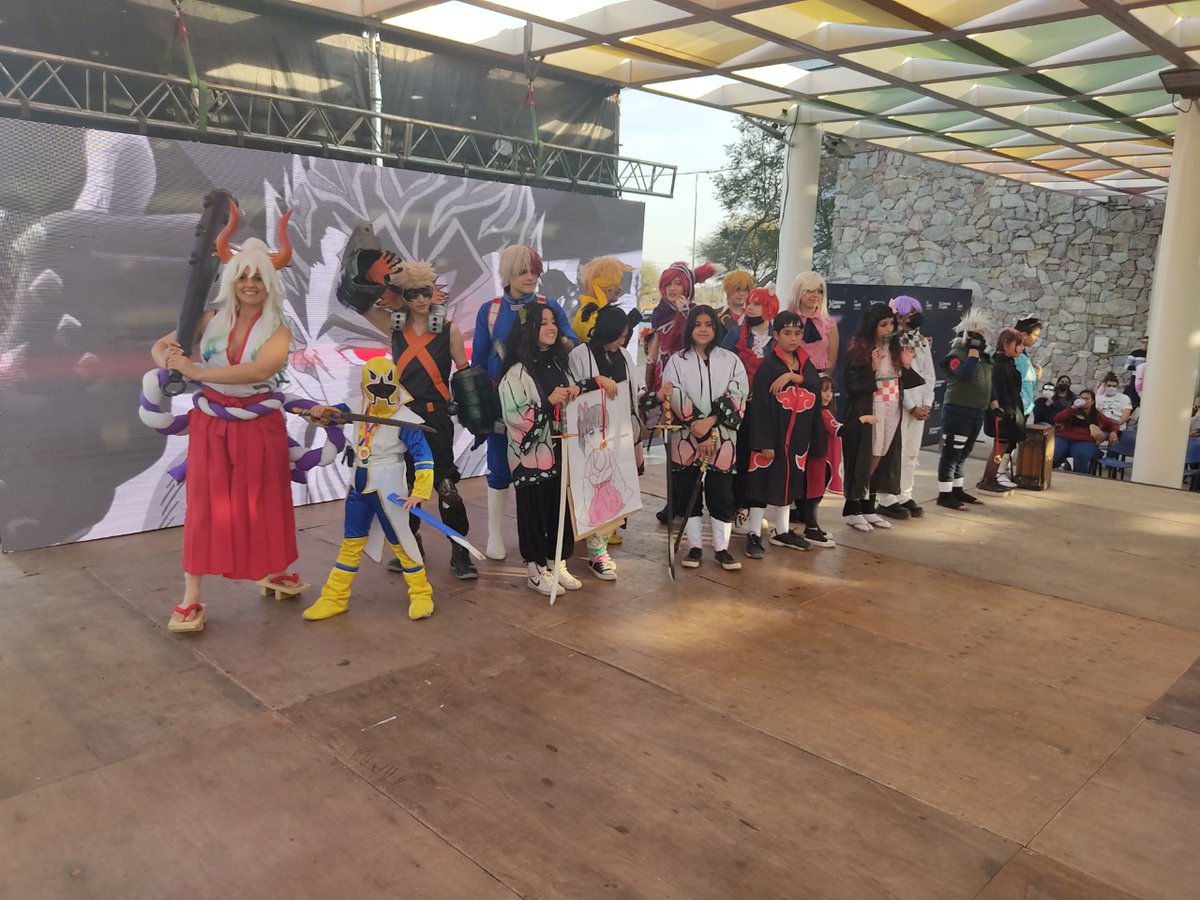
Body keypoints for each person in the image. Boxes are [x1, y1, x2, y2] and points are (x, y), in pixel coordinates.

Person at [151, 221, 298, 633]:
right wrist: (171, 364)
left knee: (264, 499)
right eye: (243, 275)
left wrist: (194, 371)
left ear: (270, 283)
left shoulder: (279, 329)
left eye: (258, 277)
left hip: (259, 423)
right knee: (203, 505)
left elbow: (260, 369)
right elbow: (160, 346)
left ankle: (274, 568)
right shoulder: (208, 318)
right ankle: (190, 597)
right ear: (232, 279)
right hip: (211, 423)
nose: (250, 284)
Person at [337, 252, 477, 580]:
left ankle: (460, 551)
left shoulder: (448, 330)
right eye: (413, 293)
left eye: (426, 291)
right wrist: (370, 275)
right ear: (403, 295)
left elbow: (466, 376)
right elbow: (356, 300)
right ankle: (410, 547)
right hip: (401, 419)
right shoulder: (394, 325)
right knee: (405, 485)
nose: (422, 299)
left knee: (445, 486)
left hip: (435, 419)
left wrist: (477, 415)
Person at [302, 358, 436, 622]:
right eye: (375, 385)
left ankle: (421, 593)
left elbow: (423, 456)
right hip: (359, 483)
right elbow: (329, 417)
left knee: (400, 540)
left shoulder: (405, 418)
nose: (381, 391)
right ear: (365, 385)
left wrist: (420, 491)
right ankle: (335, 597)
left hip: (389, 485)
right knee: (350, 543)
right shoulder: (356, 406)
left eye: (387, 385)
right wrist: (317, 413)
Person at [499, 305, 616, 595]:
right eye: (543, 323)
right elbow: (515, 417)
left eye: (553, 322)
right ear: (528, 329)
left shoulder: (559, 363)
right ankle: (535, 569)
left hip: (561, 452)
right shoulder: (516, 372)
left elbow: (571, 393)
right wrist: (548, 402)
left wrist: (586, 386)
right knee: (534, 511)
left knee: (559, 508)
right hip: (531, 459)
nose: (551, 328)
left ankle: (556, 562)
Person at [472, 245, 578, 561]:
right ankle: (494, 534)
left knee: (544, 471)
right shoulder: (490, 311)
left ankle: (541, 542)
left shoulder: (549, 307)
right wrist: (479, 406)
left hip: (546, 402)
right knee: (499, 469)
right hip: (502, 405)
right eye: (522, 271)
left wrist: (561, 338)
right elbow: (479, 361)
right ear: (507, 274)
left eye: (534, 271)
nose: (530, 277)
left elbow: (570, 342)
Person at [660, 305, 748, 571]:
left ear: (716, 328)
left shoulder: (731, 361)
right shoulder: (677, 361)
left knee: (722, 494)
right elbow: (674, 394)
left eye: (708, 324)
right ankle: (694, 546)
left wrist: (709, 424)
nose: (703, 329)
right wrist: (698, 432)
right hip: (686, 439)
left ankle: (721, 549)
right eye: (697, 324)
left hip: (723, 439)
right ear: (690, 328)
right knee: (688, 493)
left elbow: (738, 394)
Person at [567, 304, 645, 580]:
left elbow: (636, 391)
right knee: (591, 491)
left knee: (614, 493)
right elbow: (572, 390)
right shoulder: (580, 355)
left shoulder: (624, 355)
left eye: (625, 336)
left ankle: (598, 550)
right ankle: (594, 552)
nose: (623, 341)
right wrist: (594, 382)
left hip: (620, 434)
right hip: (591, 436)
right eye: (620, 335)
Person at [741, 310, 824, 557]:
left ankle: (783, 530)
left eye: (797, 333)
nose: (793, 338)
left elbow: (815, 388)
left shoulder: (806, 365)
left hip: (797, 439)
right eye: (787, 333)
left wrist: (791, 376)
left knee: (790, 483)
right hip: (772, 438)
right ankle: (754, 532)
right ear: (776, 335)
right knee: (761, 482)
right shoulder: (768, 367)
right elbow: (760, 407)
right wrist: (763, 441)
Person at [840, 304, 905, 532]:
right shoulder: (860, 349)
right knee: (867, 455)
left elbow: (903, 379)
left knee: (883, 455)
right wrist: (873, 369)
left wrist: (906, 365)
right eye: (883, 324)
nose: (889, 329)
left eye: (891, 324)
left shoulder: (895, 348)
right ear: (872, 326)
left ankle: (868, 507)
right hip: (872, 406)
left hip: (892, 407)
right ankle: (853, 508)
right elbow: (851, 384)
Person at [721, 286, 776, 532]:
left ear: (770, 308)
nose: (750, 308)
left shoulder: (778, 336)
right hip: (738, 406)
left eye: (757, 304)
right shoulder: (735, 333)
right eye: (750, 303)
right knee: (738, 457)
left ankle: (752, 509)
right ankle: (734, 507)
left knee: (761, 458)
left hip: (766, 409)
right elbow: (721, 365)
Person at [876, 295, 934, 519]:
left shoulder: (921, 341)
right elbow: (896, 375)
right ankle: (886, 496)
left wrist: (926, 403)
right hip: (898, 405)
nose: (914, 317)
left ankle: (904, 493)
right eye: (910, 313)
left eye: (916, 312)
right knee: (894, 452)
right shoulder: (892, 341)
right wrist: (910, 405)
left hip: (919, 406)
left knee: (911, 453)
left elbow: (928, 374)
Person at [936, 311, 994, 510]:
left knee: (964, 453)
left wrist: (994, 405)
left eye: (982, 334)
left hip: (976, 411)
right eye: (975, 334)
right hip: (957, 411)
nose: (979, 339)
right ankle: (945, 494)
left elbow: (988, 383)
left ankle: (957, 489)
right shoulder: (956, 355)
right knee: (951, 454)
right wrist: (972, 353)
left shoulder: (984, 359)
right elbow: (965, 374)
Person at [978, 328, 1026, 493]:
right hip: (1002, 414)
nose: (1021, 348)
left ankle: (990, 478)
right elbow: (997, 392)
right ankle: (988, 479)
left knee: (1001, 447)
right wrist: (1001, 412)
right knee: (999, 447)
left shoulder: (1006, 364)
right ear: (1006, 344)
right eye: (1018, 344)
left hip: (1009, 412)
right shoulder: (998, 366)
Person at [798, 374, 842, 548]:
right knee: (814, 495)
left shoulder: (824, 412)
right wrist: (862, 421)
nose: (828, 395)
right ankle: (811, 529)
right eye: (824, 390)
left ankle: (813, 525)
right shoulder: (822, 414)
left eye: (831, 391)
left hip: (822, 459)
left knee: (815, 494)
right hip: (816, 459)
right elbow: (839, 430)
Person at [1053, 390, 1119, 473]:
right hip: (1064, 438)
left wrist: (1114, 432)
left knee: (1081, 455)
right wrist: (1072, 408)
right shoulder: (1071, 411)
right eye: (1081, 398)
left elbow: (1113, 425)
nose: (1083, 400)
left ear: (1092, 402)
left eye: (1086, 399)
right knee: (1053, 452)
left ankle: (1081, 478)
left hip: (1085, 441)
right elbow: (1057, 419)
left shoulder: (1098, 416)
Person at [571, 256, 632, 344]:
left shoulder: (592, 310)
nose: (620, 288)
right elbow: (606, 345)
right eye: (617, 282)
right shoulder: (591, 314)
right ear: (605, 286)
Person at [787, 270, 838, 371]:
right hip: (790, 374)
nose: (816, 295)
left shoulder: (829, 324)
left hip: (820, 376)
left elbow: (831, 362)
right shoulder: (787, 320)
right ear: (798, 291)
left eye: (820, 291)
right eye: (810, 290)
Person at [1013, 317, 1042, 420]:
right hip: (1016, 407)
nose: (1036, 339)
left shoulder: (1022, 356)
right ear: (1024, 335)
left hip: (1023, 407)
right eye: (1035, 335)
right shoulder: (1015, 356)